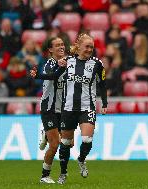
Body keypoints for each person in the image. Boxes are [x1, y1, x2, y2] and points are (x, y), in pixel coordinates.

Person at [56, 33, 108, 184]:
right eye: (87, 46)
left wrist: (104, 103)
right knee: (65, 143)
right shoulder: (67, 61)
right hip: (68, 108)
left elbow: (103, 84)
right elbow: (54, 77)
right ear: (78, 47)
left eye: (92, 47)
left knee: (87, 139)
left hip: (87, 107)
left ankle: (81, 159)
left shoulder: (97, 64)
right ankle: (63, 173)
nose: (90, 49)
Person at [30, 37, 67, 184]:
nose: (61, 47)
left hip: (63, 109)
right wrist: (38, 75)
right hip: (49, 108)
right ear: (50, 50)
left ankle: (46, 133)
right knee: (55, 144)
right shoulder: (49, 65)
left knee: (68, 143)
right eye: (57, 45)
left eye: (62, 44)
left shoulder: (68, 63)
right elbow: (53, 75)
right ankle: (44, 176)